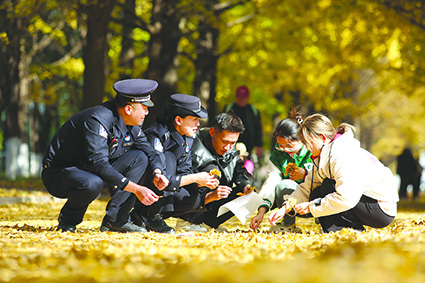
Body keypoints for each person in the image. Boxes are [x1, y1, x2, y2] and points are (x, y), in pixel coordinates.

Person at [42, 79, 169, 233]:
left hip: (91, 170)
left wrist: (157, 172)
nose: (147, 112)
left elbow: (150, 152)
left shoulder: (132, 124)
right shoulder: (98, 119)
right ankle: (67, 222)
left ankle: (116, 221)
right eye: (144, 108)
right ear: (128, 109)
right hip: (60, 173)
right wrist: (136, 189)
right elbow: (98, 163)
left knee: (140, 157)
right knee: (92, 183)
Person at [269, 114, 398, 233]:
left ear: (323, 138)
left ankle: (343, 229)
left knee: (327, 186)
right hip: (363, 201)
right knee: (318, 190)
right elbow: (307, 187)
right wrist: (285, 208)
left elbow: (347, 197)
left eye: (309, 143)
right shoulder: (322, 156)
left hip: (380, 208)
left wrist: (310, 207)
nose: (307, 147)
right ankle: (337, 228)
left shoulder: (341, 154)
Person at [131, 94, 220, 234]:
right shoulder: (157, 135)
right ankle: (152, 216)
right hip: (137, 189)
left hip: (163, 187)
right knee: (170, 158)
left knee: (194, 198)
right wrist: (195, 178)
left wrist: (202, 182)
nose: (198, 124)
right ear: (178, 120)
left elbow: (184, 171)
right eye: (195, 119)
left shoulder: (187, 138)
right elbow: (161, 179)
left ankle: (143, 216)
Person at [176, 111, 253, 231]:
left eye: (233, 143)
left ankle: (208, 225)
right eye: (224, 142)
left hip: (213, 198)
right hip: (189, 198)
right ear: (212, 132)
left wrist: (246, 186)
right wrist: (210, 194)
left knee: (243, 193)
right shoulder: (193, 144)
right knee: (213, 173)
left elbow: (240, 173)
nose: (227, 147)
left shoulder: (230, 150)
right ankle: (186, 223)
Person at [250, 109, 313, 233]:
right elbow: (271, 181)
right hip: (290, 200)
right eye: (281, 145)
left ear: (302, 138)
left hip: (315, 199)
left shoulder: (313, 149)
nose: (285, 150)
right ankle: (288, 223)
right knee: (284, 184)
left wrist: (306, 174)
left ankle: (327, 222)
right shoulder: (278, 154)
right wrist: (261, 212)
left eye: (289, 146)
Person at [223, 85, 263, 158]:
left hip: (249, 145)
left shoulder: (253, 111)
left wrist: (259, 146)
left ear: (247, 97)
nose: (241, 99)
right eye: (239, 97)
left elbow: (258, 129)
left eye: (243, 97)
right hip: (230, 145)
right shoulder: (228, 108)